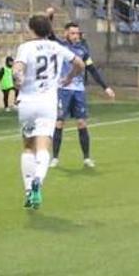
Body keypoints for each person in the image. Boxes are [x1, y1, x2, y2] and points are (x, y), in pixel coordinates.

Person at [13, 14, 84, 209]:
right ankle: (38, 180)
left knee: (28, 146)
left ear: (31, 29)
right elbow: (80, 63)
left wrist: (18, 79)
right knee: (44, 146)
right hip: (48, 103)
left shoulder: (25, 47)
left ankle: (28, 190)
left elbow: (17, 70)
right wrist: (69, 77)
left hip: (27, 102)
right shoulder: (56, 47)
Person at [52, 21, 115, 169]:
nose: (76, 36)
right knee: (59, 122)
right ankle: (55, 158)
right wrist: (50, 17)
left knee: (81, 123)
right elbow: (49, 35)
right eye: (73, 33)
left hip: (79, 91)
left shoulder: (82, 50)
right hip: (63, 90)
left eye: (77, 33)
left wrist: (105, 87)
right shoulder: (60, 46)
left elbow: (92, 70)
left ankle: (86, 158)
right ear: (66, 33)